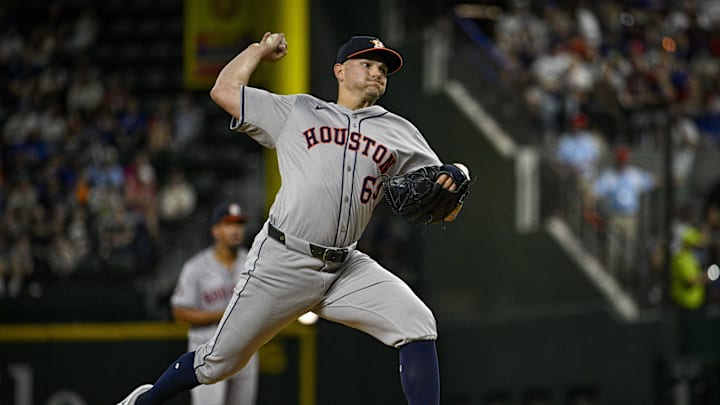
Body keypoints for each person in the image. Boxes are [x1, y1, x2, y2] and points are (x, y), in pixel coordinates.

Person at [117, 32, 471, 405]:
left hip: (344, 266)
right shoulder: (298, 111)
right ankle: (144, 402)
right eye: (366, 64)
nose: (376, 73)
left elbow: (443, 197)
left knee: (418, 324)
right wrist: (258, 51)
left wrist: (459, 174)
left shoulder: (399, 131)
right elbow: (223, 90)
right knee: (216, 364)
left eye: (382, 68)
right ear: (339, 70)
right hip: (283, 260)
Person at [170, 202, 259, 405]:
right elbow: (179, 312)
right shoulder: (196, 267)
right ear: (215, 230)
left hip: (244, 351)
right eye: (229, 224)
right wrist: (224, 314)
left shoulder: (253, 261)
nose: (236, 230)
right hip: (206, 351)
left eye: (239, 224)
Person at [591, 145, 656, 283]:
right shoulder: (609, 175)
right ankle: (610, 277)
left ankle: (626, 278)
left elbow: (651, 180)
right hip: (614, 216)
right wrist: (590, 205)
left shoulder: (634, 174)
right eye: (620, 160)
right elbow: (595, 191)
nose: (622, 163)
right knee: (612, 249)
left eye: (624, 160)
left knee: (629, 249)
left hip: (630, 217)